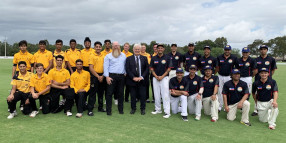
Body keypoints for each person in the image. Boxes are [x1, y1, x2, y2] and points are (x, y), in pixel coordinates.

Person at [252, 45, 277, 116]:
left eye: (264, 49)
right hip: (258, 80)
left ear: (267, 50)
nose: (263, 50)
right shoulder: (256, 59)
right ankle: (256, 109)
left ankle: (269, 108)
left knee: (269, 93)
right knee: (257, 94)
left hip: (268, 80)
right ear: (260, 50)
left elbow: (273, 70)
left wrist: (268, 77)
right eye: (261, 49)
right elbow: (255, 70)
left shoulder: (271, 59)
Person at [104, 41, 126, 115]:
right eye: (114, 46)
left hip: (121, 76)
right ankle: (108, 110)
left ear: (119, 47)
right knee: (109, 94)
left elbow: (125, 65)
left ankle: (121, 109)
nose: (116, 47)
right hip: (111, 76)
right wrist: (107, 77)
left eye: (117, 45)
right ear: (112, 47)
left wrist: (125, 73)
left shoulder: (123, 55)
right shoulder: (108, 56)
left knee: (120, 93)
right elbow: (105, 67)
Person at [125, 44, 149, 115]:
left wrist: (141, 77)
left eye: (138, 49)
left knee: (143, 95)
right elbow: (128, 69)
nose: (137, 50)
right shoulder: (128, 59)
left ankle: (143, 109)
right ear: (133, 49)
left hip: (142, 80)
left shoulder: (144, 58)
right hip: (132, 81)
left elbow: (147, 69)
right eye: (136, 49)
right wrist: (133, 77)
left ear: (140, 50)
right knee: (133, 96)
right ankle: (133, 108)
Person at [150, 44, 172, 118]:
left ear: (163, 49)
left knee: (165, 95)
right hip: (155, 78)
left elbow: (169, 69)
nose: (160, 49)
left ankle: (167, 112)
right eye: (158, 48)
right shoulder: (153, 58)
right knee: (156, 94)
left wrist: (162, 76)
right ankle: (158, 109)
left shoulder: (167, 57)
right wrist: (156, 76)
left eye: (161, 48)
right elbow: (151, 68)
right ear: (157, 49)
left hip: (164, 78)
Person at [12, 40, 34, 111]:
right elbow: (14, 66)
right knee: (18, 89)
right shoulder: (16, 55)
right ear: (19, 47)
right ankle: (12, 105)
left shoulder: (30, 55)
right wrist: (13, 76)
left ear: (26, 46)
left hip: (27, 73)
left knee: (26, 89)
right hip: (19, 73)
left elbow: (32, 66)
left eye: (24, 46)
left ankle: (23, 104)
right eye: (21, 46)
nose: (23, 47)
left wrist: (31, 74)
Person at [215, 45, 237, 111]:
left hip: (229, 77)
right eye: (226, 50)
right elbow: (217, 67)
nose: (227, 51)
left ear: (230, 50)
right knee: (220, 91)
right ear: (224, 50)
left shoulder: (234, 57)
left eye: (228, 50)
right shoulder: (219, 57)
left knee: (229, 91)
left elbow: (236, 67)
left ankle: (227, 105)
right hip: (220, 76)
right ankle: (220, 105)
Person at [89, 41, 106, 112]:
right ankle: (90, 109)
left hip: (102, 76)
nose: (98, 48)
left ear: (101, 48)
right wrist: (98, 76)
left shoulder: (104, 56)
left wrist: (102, 76)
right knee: (92, 94)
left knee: (101, 93)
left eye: (99, 47)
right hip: (94, 76)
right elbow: (91, 68)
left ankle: (100, 107)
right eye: (97, 47)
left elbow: (106, 67)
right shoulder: (92, 55)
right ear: (94, 47)